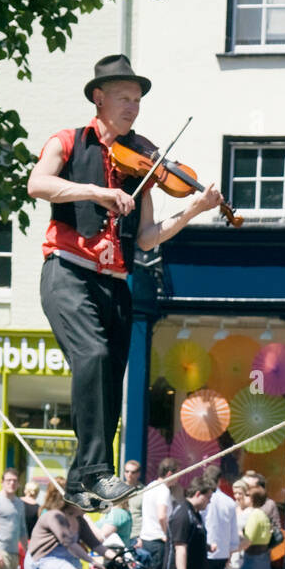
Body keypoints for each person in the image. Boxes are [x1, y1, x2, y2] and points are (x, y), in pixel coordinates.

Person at [28, 54, 223, 510]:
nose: (133, 107)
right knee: (93, 355)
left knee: (110, 378)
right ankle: (96, 472)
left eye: (137, 99)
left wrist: (195, 209)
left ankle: (83, 481)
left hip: (116, 281)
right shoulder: (68, 142)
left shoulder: (140, 160)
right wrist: (97, 192)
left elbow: (150, 237)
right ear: (99, 98)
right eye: (124, 97)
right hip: (68, 270)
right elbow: (38, 184)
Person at [142, 459, 177, 569]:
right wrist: (167, 535)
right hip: (158, 541)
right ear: (170, 473)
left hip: (147, 540)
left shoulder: (149, 487)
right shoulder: (163, 490)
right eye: (177, 474)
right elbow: (162, 516)